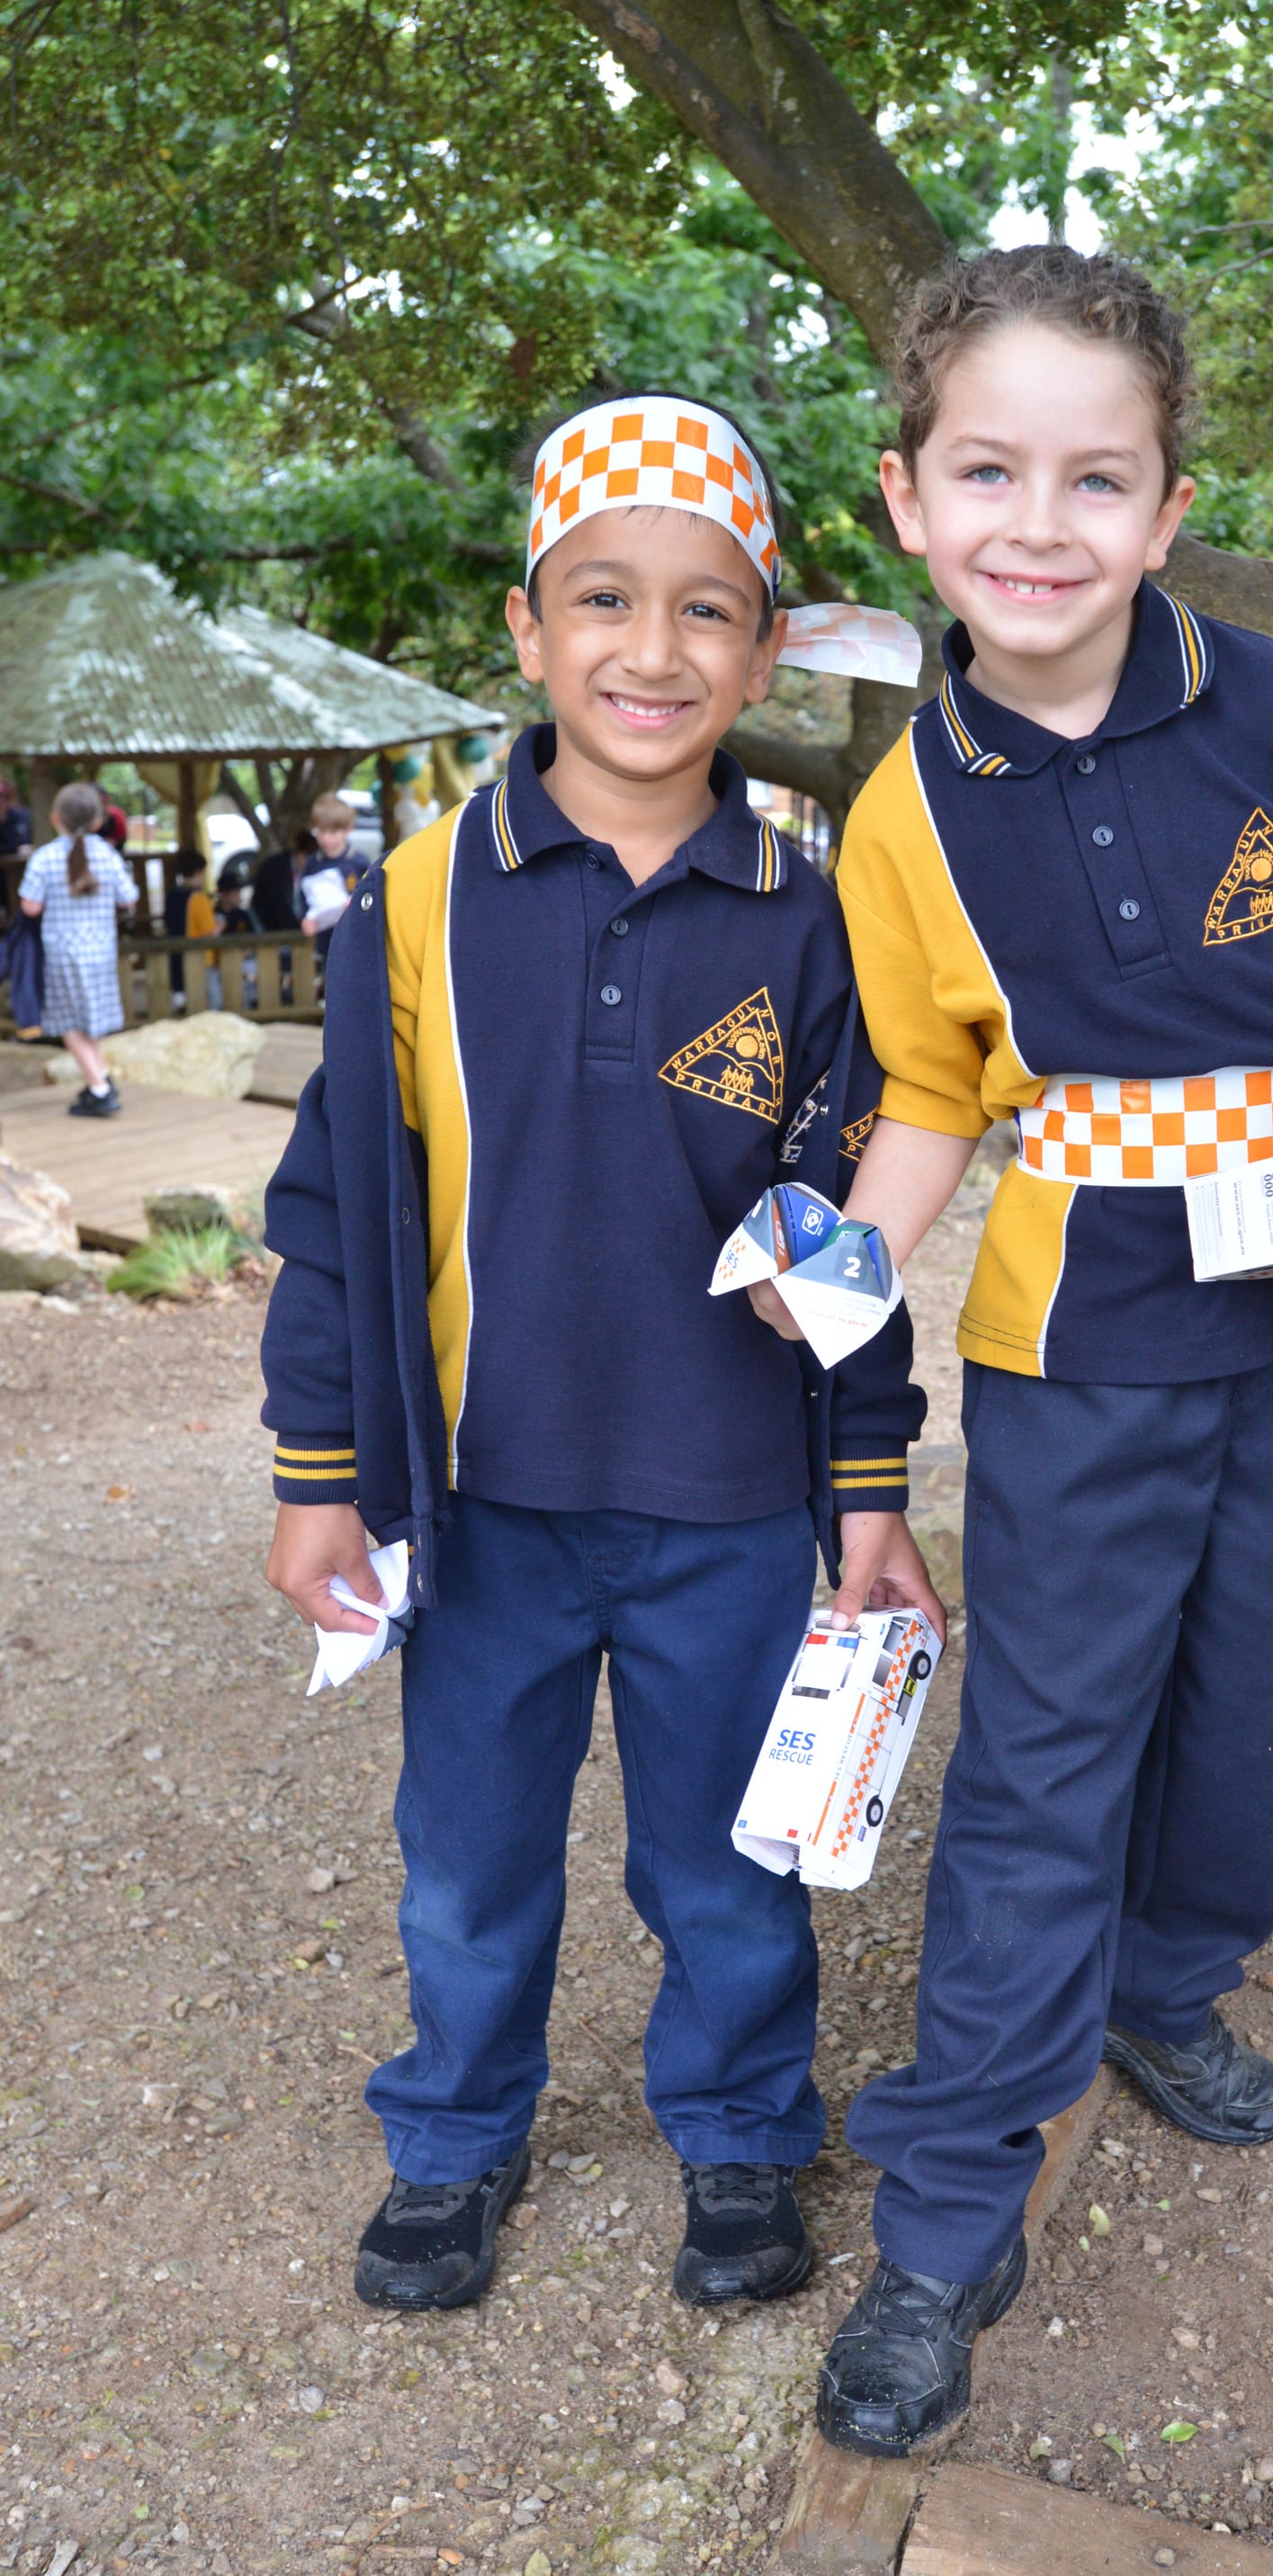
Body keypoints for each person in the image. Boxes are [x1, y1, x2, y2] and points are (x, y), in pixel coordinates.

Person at [796, 247, 1273, 2459]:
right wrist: (826, 1281)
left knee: (1261, 1680)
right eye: (987, 471)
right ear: (906, 500)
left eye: (1095, 479)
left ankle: (1170, 1985)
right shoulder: (903, 811)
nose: (1038, 522)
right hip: (1074, 1332)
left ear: (1167, 508)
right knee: (1044, 1739)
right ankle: (949, 2193)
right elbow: (924, 1093)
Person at [259, 390, 941, 2320]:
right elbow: (339, 1204)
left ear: (765, 643)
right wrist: (324, 1476)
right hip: (480, 1508)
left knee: (728, 1869)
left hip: (730, 1504)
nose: (656, 650)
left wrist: (866, 1489)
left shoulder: (812, 928)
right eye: (607, 601)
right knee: (470, 1865)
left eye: (710, 610)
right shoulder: (413, 895)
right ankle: (456, 2138)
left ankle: (738, 2133)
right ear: (528, 624)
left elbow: (847, 1250)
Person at [17, 780, 140, 1117]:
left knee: (68, 1023)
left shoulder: (45, 858)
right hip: (101, 953)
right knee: (89, 1020)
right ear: (98, 821)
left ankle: (100, 1088)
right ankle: (98, 1078)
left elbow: (30, 905)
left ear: (56, 818)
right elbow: (129, 897)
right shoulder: (107, 854)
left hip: (62, 955)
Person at [295, 794, 367, 969]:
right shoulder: (312, 864)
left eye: (332, 832)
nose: (326, 838)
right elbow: (304, 899)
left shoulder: (359, 862)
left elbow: (372, 899)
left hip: (356, 943)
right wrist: (305, 920)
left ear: (348, 829)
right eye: (321, 832)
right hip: (326, 944)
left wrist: (355, 903)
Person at [163, 847, 214, 943]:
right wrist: (219, 928)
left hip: (175, 953)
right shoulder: (199, 899)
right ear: (198, 872)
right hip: (195, 955)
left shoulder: (171, 896)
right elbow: (209, 933)